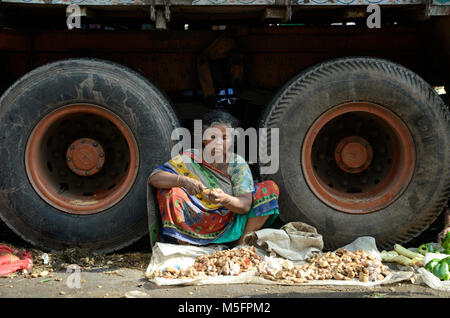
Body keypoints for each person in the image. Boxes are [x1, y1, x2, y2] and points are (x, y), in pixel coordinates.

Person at [148, 110, 280, 246]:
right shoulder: (190, 158)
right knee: (170, 192)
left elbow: (245, 205)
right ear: (203, 138)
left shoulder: (237, 163)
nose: (217, 143)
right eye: (213, 137)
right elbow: (155, 178)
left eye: (224, 138)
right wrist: (183, 180)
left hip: (228, 222)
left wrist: (224, 199)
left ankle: (241, 246)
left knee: (269, 188)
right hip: (197, 220)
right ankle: (186, 245)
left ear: (231, 141)